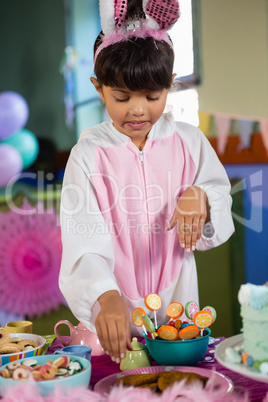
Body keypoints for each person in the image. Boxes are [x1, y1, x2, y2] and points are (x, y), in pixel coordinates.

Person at [59, 0, 234, 365]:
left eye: (152, 97)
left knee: (179, 379)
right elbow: (82, 234)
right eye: (121, 97)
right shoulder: (89, 153)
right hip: (114, 316)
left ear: (170, 86)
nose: (137, 110)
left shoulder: (189, 142)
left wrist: (201, 196)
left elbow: (219, 196)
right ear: (98, 87)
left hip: (178, 309)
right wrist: (103, 295)